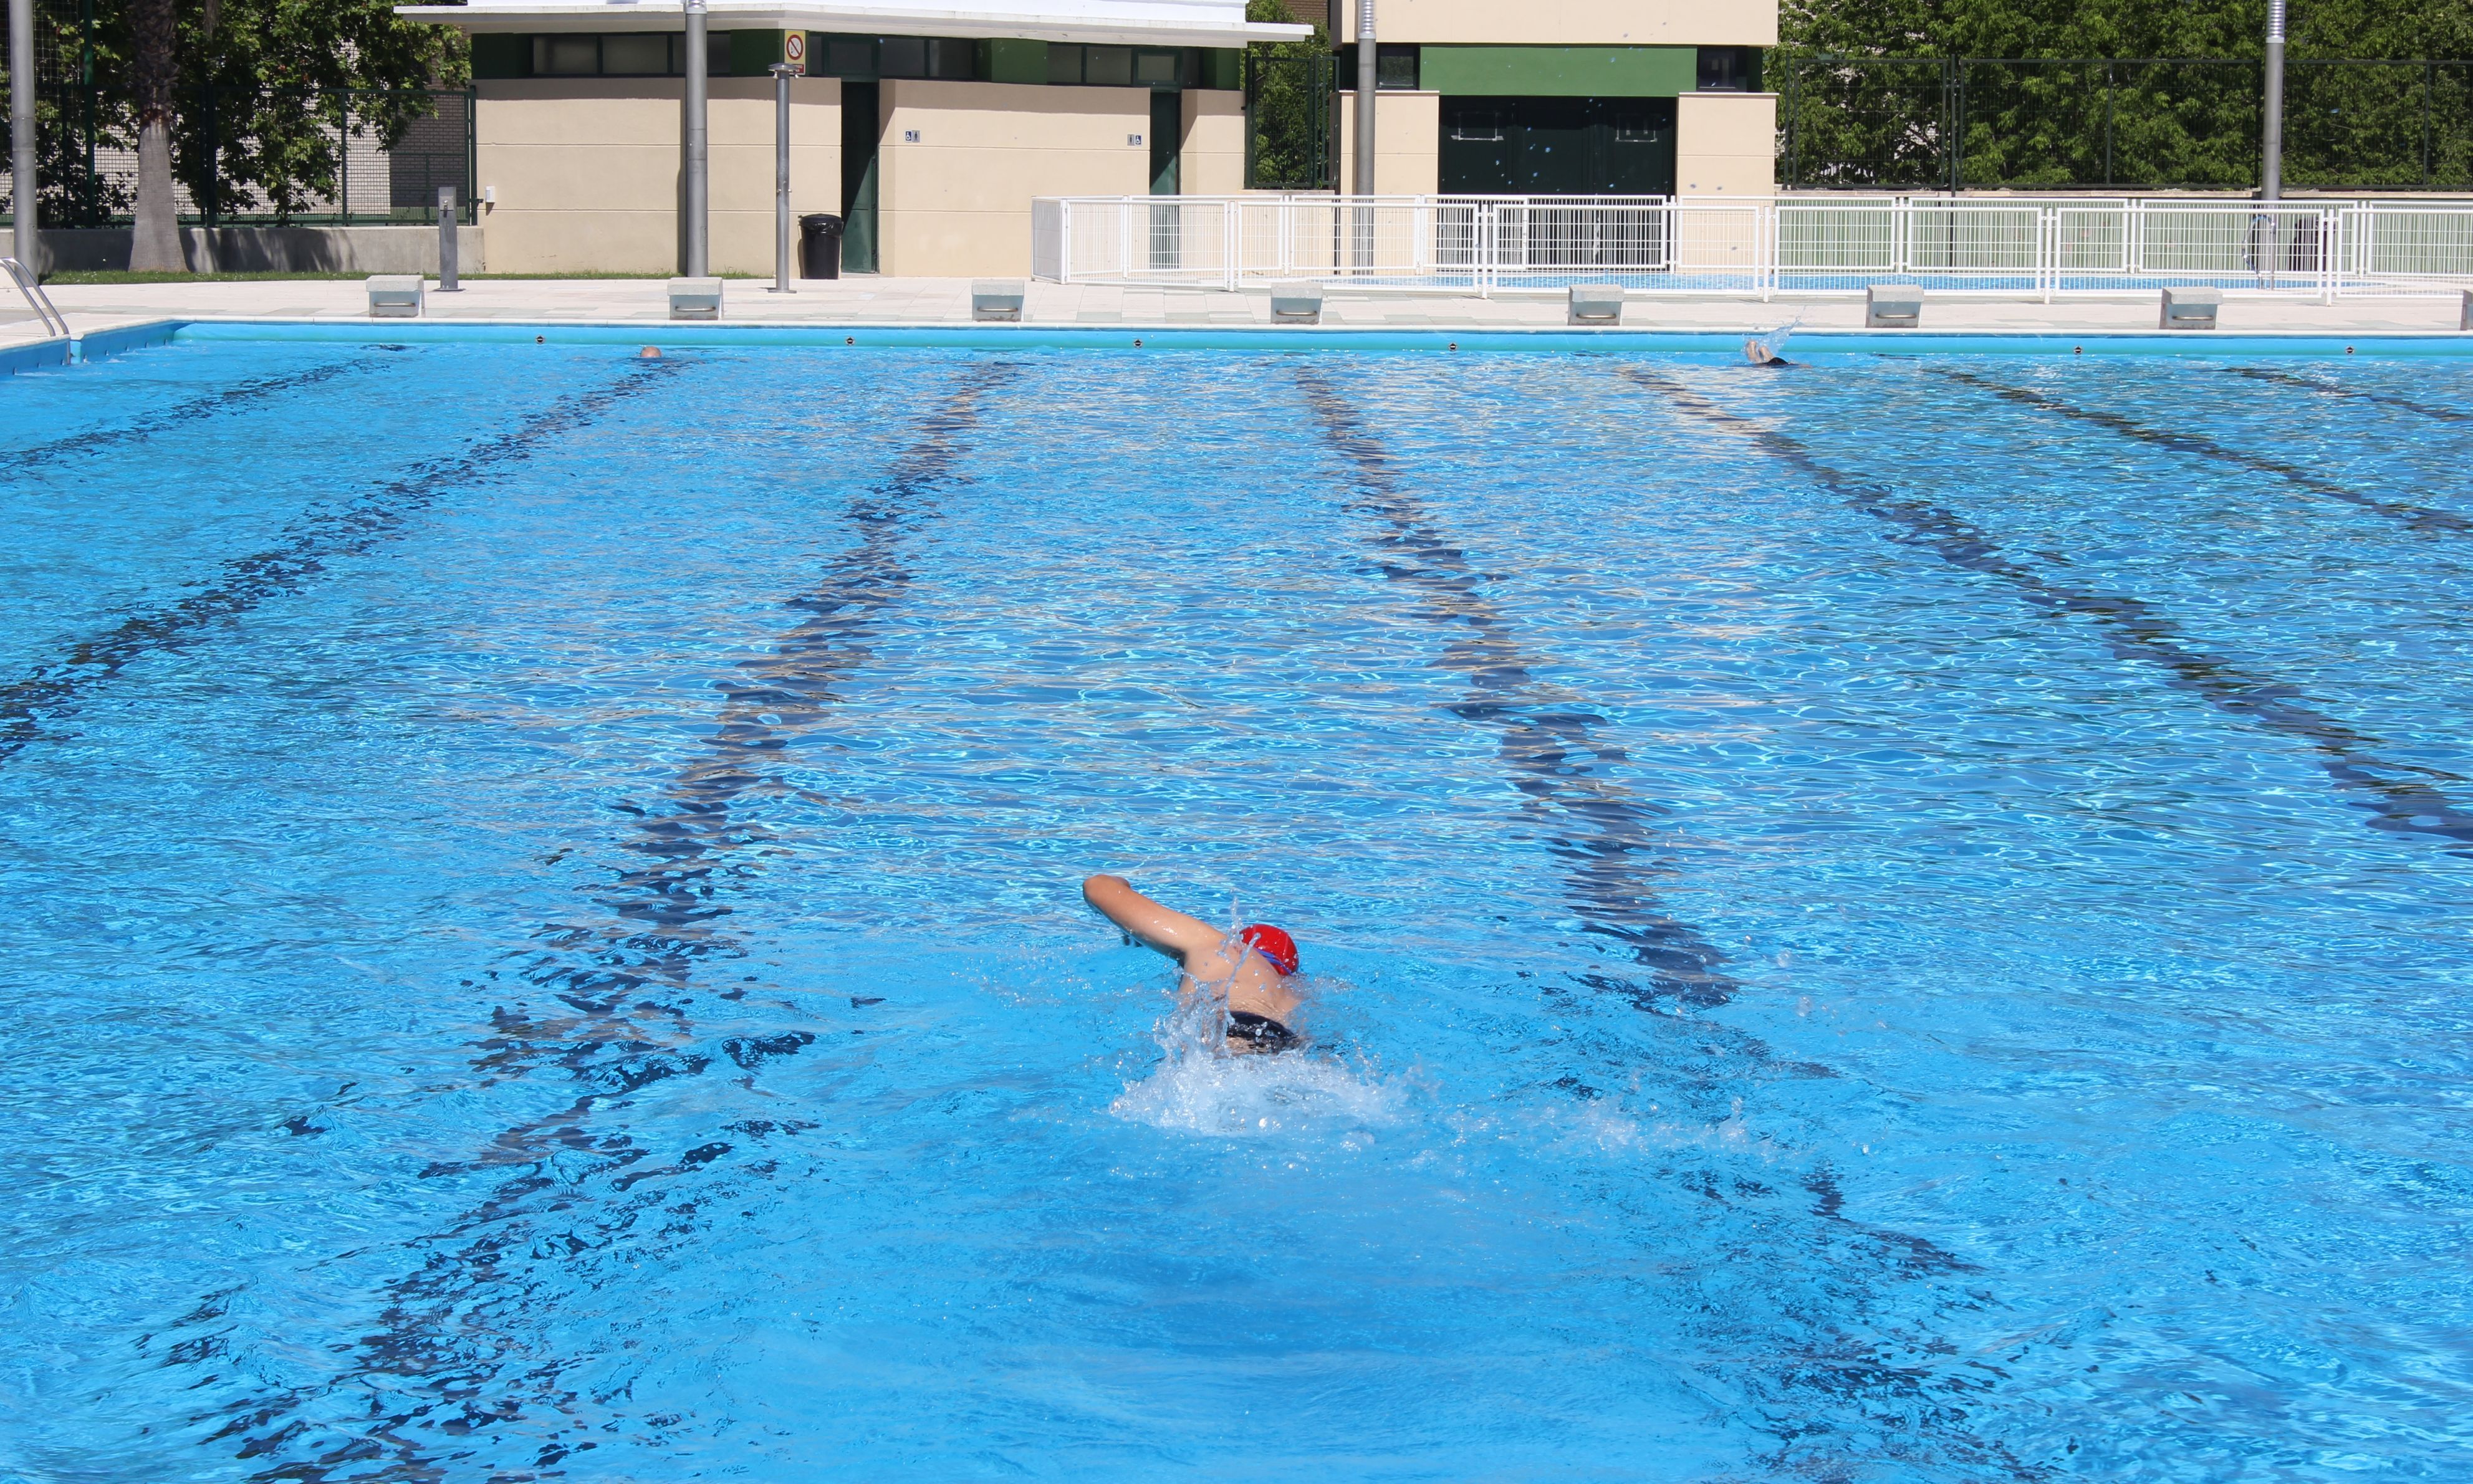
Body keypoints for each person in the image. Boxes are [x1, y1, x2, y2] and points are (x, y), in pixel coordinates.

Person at [1082, 874, 1304, 1053]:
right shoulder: (1292, 994)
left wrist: (1128, 923)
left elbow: (1097, 887)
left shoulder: (1220, 947)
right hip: (1283, 1041)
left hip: (1227, 1029)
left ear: (1238, 943)